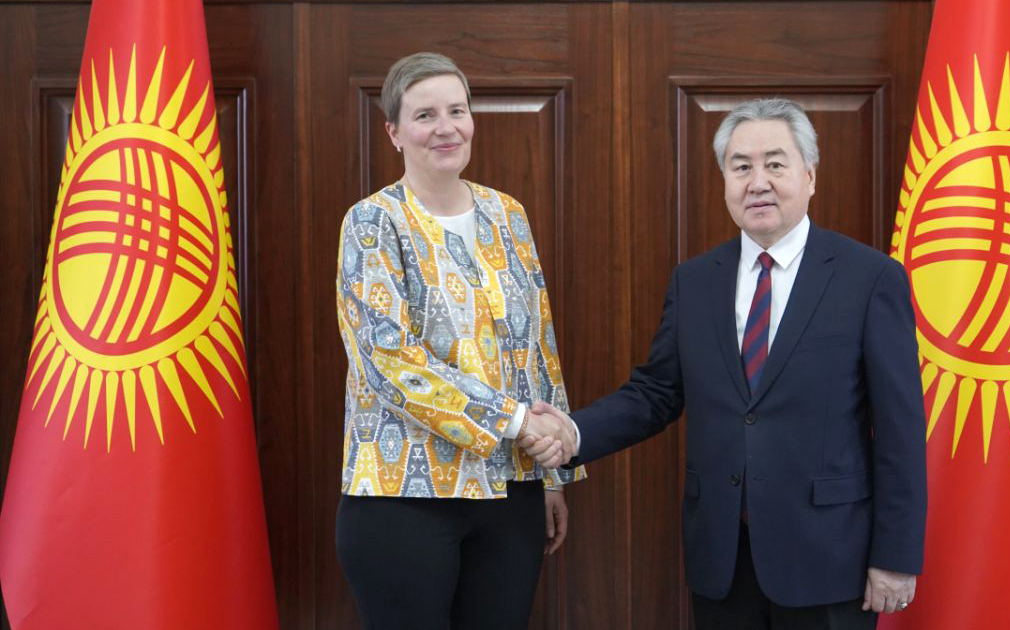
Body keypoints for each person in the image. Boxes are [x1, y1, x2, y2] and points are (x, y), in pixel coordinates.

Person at [526, 98, 926, 629]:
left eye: (775, 164)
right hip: (723, 558)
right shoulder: (695, 281)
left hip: (831, 559)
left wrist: (896, 557)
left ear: (809, 175)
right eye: (741, 167)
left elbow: (900, 429)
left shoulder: (870, 278)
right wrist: (574, 433)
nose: (757, 182)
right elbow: (656, 393)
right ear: (724, 182)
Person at [334, 52, 582, 630]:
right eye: (425, 115)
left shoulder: (508, 214)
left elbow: (537, 349)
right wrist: (517, 423)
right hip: (402, 496)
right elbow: (390, 364)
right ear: (394, 132)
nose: (446, 128)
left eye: (457, 111)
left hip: (511, 494)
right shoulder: (372, 222)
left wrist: (550, 475)